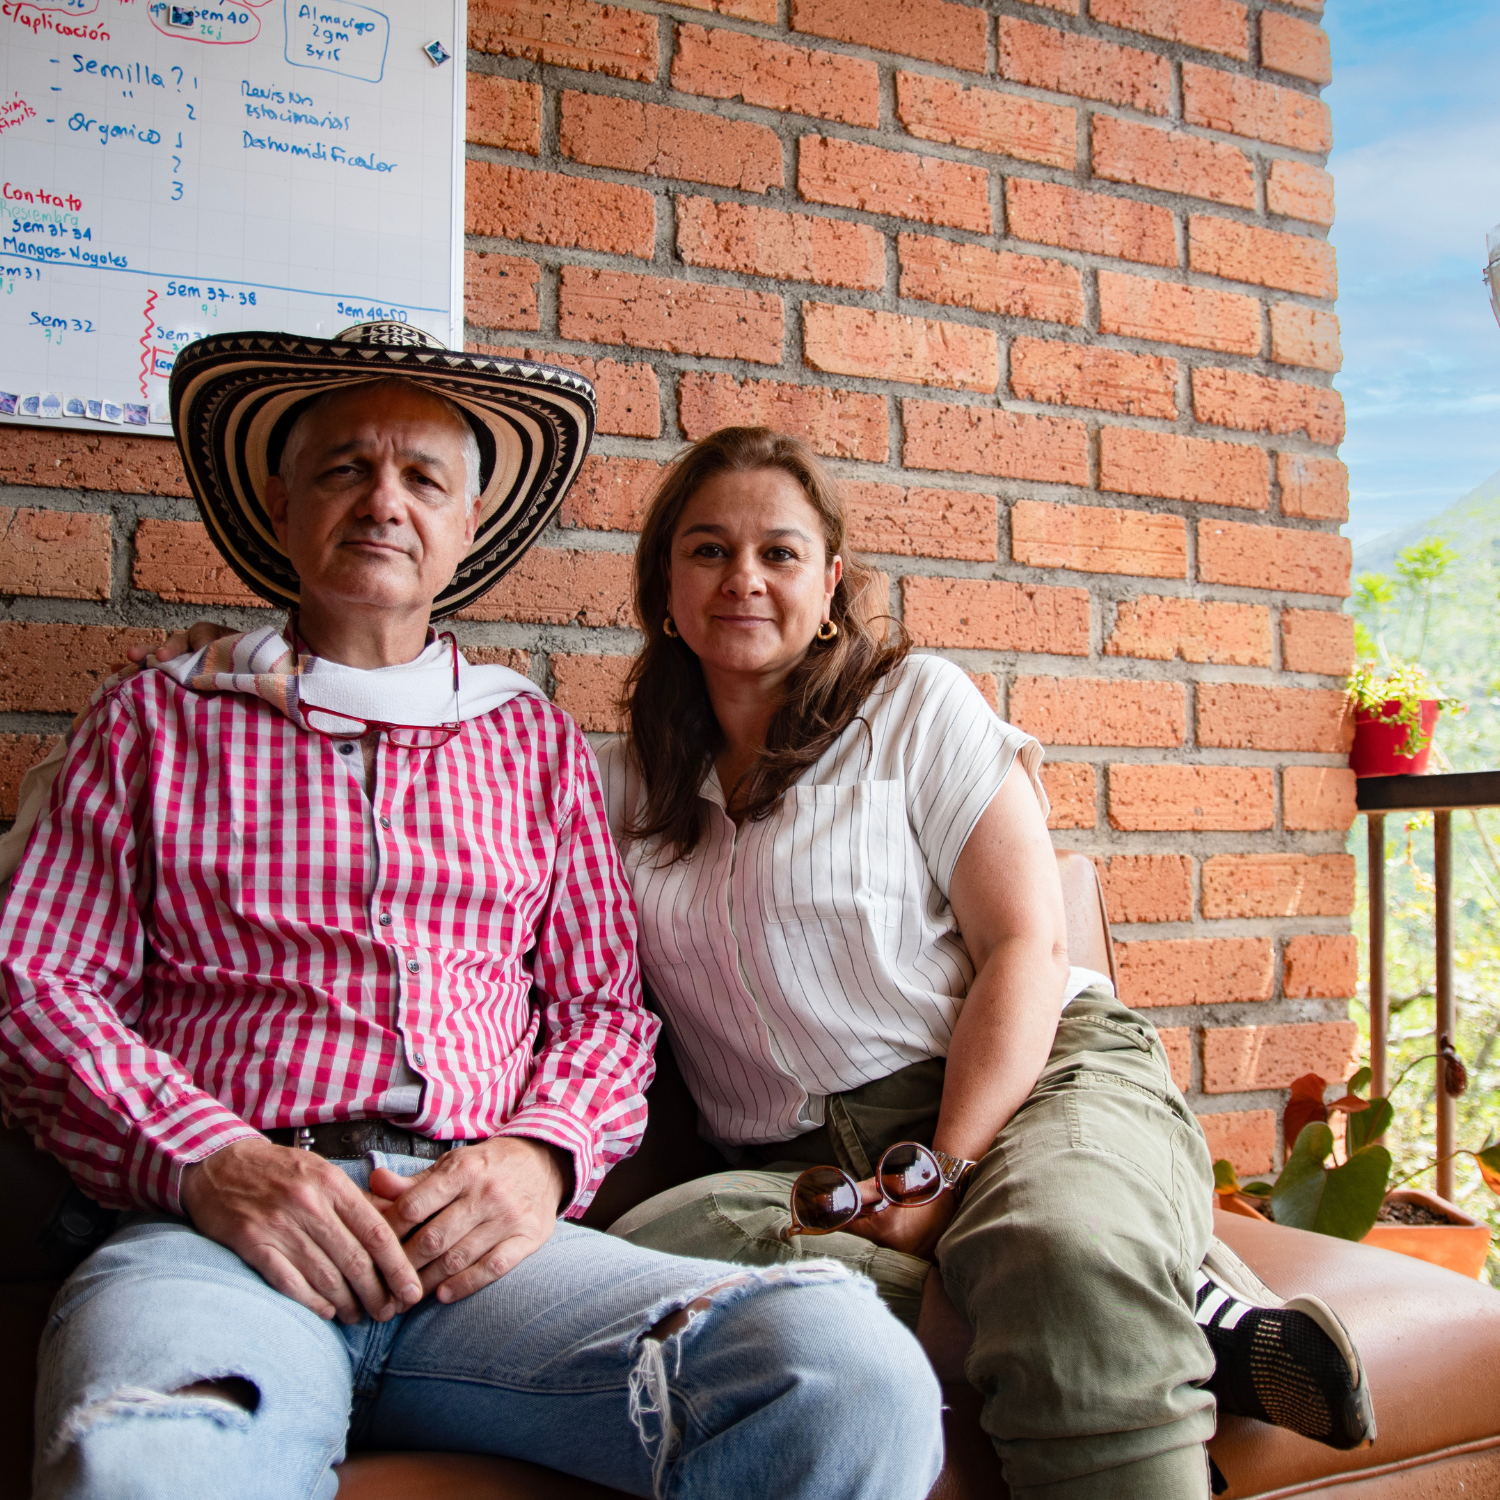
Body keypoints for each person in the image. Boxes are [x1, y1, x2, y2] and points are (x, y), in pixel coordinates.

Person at [0, 333, 942, 1500]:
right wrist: (213, 1163)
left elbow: (603, 1010)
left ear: (466, 522)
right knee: (147, 1461)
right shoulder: (154, 723)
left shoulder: (529, 744)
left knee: (844, 1372)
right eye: (345, 468)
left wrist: (539, 1158)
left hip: (488, 1260)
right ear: (281, 501)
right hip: (227, 1242)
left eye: (423, 478)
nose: (383, 502)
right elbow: (37, 988)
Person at [587, 428, 1376, 1500]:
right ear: (664, 591)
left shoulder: (916, 708)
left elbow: (1025, 946)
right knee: (660, 1245)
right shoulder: (616, 789)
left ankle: (1084, 1275)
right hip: (802, 1163)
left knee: (1048, 1242)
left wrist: (943, 1176)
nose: (744, 579)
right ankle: (1172, 1312)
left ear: (829, 587)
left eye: (780, 552)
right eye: (708, 551)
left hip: (1030, 1076)